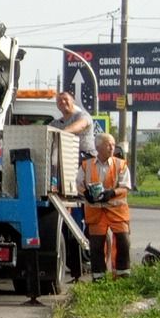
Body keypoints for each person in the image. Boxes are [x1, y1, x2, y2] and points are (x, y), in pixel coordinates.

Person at [53, 92, 97, 280]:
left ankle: (93, 262)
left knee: (91, 223)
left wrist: (59, 134)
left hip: (85, 166)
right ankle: (76, 267)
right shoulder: (55, 124)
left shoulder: (82, 116)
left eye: (66, 100)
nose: (63, 103)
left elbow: (79, 127)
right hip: (65, 175)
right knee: (69, 227)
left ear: (73, 102)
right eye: (60, 101)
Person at [82, 132, 132, 279]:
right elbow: (78, 184)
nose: (112, 147)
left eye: (112, 144)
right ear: (98, 147)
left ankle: (122, 276)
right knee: (97, 246)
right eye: (108, 144)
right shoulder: (87, 166)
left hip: (117, 212)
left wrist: (112, 193)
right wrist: (86, 193)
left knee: (123, 242)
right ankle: (99, 278)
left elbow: (126, 186)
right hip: (96, 213)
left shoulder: (120, 164)